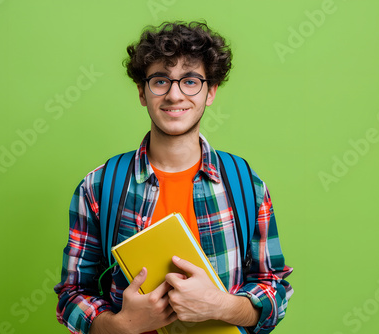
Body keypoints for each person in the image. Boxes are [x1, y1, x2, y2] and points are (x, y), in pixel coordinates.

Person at [54, 21, 293, 334]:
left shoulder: (247, 184)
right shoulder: (98, 187)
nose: (174, 94)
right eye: (161, 81)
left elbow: (274, 289)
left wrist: (221, 305)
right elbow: (72, 295)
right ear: (142, 91)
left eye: (190, 81)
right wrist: (121, 326)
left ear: (211, 91)